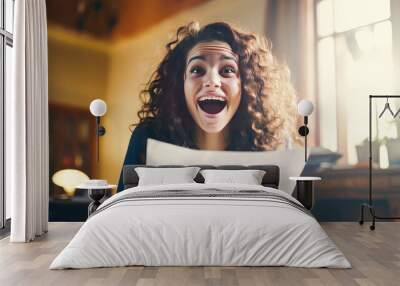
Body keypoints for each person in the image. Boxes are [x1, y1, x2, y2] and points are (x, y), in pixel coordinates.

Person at [117, 21, 299, 191]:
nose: (212, 81)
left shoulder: (276, 144)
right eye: (197, 70)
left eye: (227, 70)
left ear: (245, 85)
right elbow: (120, 213)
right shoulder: (147, 136)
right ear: (181, 84)